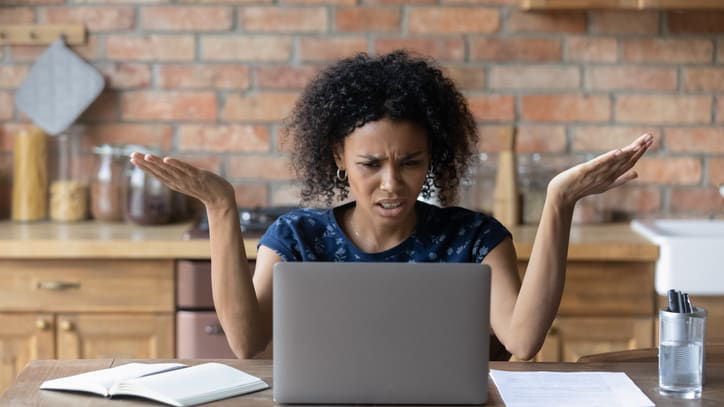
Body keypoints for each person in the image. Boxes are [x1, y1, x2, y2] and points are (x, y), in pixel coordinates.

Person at [130, 51, 653, 361]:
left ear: (433, 158)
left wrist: (559, 202)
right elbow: (246, 343)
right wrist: (221, 208)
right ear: (338, 157)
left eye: (409, 162)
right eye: (370, 164)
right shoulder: (295, 238)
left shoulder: (473, 237)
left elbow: (523, 340)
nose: (391, 184)